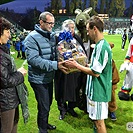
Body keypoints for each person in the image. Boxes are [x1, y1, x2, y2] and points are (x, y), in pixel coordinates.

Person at [65, 15, 112, 133]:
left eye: (88, 29)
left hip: (99, 92)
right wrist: (85, 65)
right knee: (95, 122)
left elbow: (95, 73)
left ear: (94, 29)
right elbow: (95, 67)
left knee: (99, 123)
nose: (87, 32)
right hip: (95, 91)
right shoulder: (99, 45)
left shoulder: (102, 46)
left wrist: (76, 65)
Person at [24, 11, 68, 133]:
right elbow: (33, 60)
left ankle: (45, 123)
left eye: (53, 23)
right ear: (41, 22)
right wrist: (55, 65)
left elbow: (54, 54)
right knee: (43, 106)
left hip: (48, 77)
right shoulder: (31, 38)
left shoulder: (51, 35)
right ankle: (42, 130)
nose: (52, 26)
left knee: (47, 104)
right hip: (38, 79)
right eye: (49, 23)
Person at [54, 19, 87, 120]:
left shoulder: (76, 38)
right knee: (62, 90)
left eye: (73, 27)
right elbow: (55, 52)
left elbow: (83, 52)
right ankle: (62, 110)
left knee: (74, 90)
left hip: (75, 70)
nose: (72, 29)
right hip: (63, 70)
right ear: (65, 27)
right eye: (70, 27)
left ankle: (71, 107)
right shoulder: (58, 38)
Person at [0, 17, 29, 133]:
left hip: (10, 99)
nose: (9, 35)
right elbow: (5, 81)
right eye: (7, 32)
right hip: (5, 102)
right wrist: (20, 74)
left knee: (13, 128)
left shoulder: (3, 50)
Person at [119, 15, 133, 101]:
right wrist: (125, 63)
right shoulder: (132, 40)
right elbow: (128, 54)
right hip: (132, 63)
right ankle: (125, 91)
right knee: (129, 75)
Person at [108, 42, 120, 121]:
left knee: (111, 95)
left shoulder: (111, 62)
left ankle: (112, 110)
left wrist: (113, 82)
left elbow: (115, 76)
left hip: (109, 81)